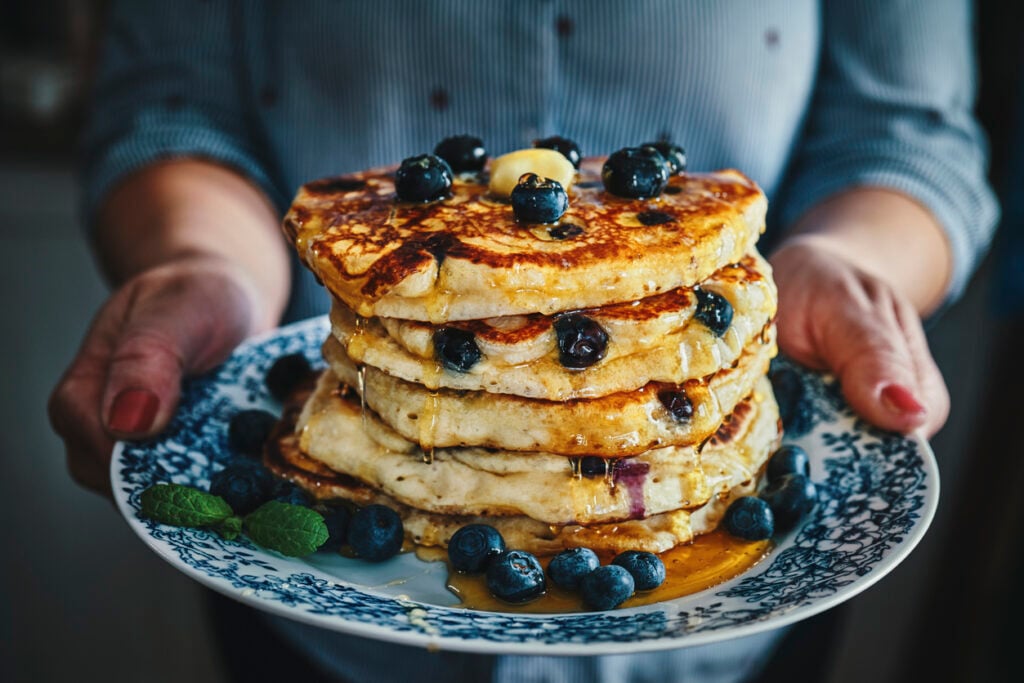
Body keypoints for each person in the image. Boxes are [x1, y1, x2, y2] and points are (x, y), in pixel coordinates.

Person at [48, 2, 997, 682]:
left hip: (725, 644)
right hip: (328, 631)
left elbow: (905, 133)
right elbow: (169, 107)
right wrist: (202, 263)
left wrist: (841, 259)